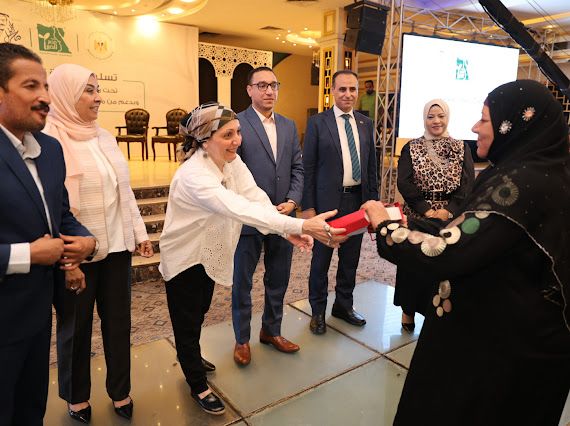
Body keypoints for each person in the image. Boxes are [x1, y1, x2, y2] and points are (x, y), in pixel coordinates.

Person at [362, 79, 570, 425]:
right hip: (515, 340)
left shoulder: (519, 185)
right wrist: (412, 220)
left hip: (501, 353)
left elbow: (446, 251)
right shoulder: (539, 171)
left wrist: (386, 227)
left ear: (512, 125)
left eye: (485, 119)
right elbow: (471, 231)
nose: (475, 127)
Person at [158, 102, 346, 415]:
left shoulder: (230, 162)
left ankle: (191, 354)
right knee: (187, 318)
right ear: (205, 140)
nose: (237, 140)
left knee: (200, 311)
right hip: (185, 258)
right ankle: (197, 383)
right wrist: (300, 225)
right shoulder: (194, 175)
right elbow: (238, 208)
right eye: (227, 135)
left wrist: (285, 231)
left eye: (238, 132)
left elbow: (254, 197)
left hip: (210, 251)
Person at [43, 63, 153, 424]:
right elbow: (51, 208)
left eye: (98, 89)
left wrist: (139, 234)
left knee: (118, 323)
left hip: (116, 247)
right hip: (76, 254)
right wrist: (68, 260)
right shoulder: (49, 140)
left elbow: (124, 192)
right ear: (65, 95)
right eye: (88, 90)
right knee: (75, 327)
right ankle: (76, 396)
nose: (98, 97)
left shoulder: (104, 136)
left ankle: (120, 390)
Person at [0, 43, 95, 426]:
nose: (45, 98)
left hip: (38, 315)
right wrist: (27, 254)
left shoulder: (50, 149)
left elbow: (60, 215)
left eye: (46, 87)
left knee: (30, 410)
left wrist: (86, 241)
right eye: (30, 86)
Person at [232, 66, 303, 366]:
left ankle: (271, 331)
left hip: (282, 216)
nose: (269, 90)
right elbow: (230, 172)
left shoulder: (288, 125)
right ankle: (242, 339)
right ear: (249, 90)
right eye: (261, 85)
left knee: (278, 277)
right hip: (249, 218)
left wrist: (292, 201)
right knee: (243, 282)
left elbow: (297, 167)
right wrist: (254, 207)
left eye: (273, 85)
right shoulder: (236, 123)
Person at [302, 70, 379, 335]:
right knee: (320, 262)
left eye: (352, 89)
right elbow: (308, 167)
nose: (348, 94)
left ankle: (343, 306)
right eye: (342, 89)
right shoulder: (317, 123)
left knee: (350, 260)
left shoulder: (365, 123)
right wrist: (308, 207)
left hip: (357, 202)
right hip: (326, 206)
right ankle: (317, 312)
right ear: (333, 91)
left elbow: (371, 167)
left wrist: (373, 203)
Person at [396, 99, 474, 331]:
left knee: (443, 265)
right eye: (431, 117)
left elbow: (468, 183)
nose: (436, 121)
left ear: (447, 117)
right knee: (412, 263)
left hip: (450, 217)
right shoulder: (411, 147)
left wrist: (448, 210)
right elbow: (404, 182)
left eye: (441, 116)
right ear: (424, 119)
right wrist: (427, 210)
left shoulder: (461, 147)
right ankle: (408, 311)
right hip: (418, 215)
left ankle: (439, 312)